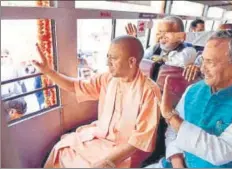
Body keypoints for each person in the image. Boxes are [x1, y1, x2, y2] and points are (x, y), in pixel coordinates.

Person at [147, 30, 232, 168]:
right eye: (202, 60)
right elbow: (173, 132)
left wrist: (171, 116)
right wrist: (176, 160)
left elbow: (220, 152)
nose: (202, 69)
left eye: (210, 62)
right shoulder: (193, 90)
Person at [32, 35, 161, 168]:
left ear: (132, 61)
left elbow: (140, 139)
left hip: (127, 149)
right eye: (108, 57)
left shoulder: (150, 91)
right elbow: (75, 86)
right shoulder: (108, 78)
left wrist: (108, 162)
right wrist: (49, 72)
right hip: (101, 135)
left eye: (113, 58)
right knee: (61, 149)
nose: (107, 63)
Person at [126, 16, 197, 68]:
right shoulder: (156, 47)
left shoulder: (189, 51)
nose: (161, 37)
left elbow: (182, 61)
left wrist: (162, 58)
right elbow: (141, 58)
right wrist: (134, 43)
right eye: (159, 32)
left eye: (166, 33)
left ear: (179, 34)